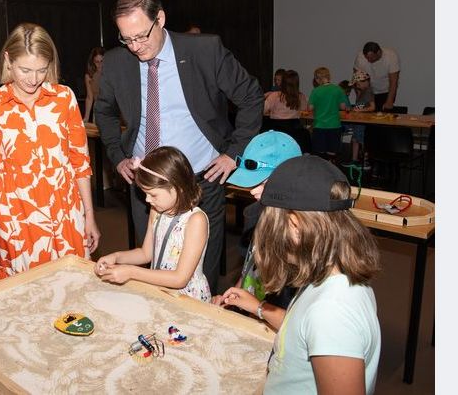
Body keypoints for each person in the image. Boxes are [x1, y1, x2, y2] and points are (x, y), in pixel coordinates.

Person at [94, 0, 263, 294]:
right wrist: (117, 155)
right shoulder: (117, 62)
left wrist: (233, 153)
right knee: (151, 263)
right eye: (126, 39)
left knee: (201, 269)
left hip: (203, 178)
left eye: (141, 36)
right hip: (146, 182)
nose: (135, 46)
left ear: (160, 18)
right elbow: (103, 112)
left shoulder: (204, 50)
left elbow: (251, 97)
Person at [217, 155, 381, 394]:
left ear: (295, 226)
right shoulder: (328, 275)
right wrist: (260, 307)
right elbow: (303, 331)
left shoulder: (333, 313)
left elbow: (322, 324)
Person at [0, 22, 100, 283]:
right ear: (8, 60)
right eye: (25, 70)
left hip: (66, 216)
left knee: (74, 292)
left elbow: (80, 162)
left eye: (42, 70)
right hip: (17, 221)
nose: (33, 79)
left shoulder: (64, 98)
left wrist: (89, 216)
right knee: (26, 301)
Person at [94, 146, 211, 302]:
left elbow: (180, 278)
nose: (148, 200)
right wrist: (116, 257)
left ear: (179, 188)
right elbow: (146, 254)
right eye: (145, 194)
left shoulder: (195, 221)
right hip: (159, 290)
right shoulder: (157, 210)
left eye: (153, 194)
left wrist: (130, 272)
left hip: (187, 298)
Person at [222, 130, 302, 309]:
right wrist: (234, 296)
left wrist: (259, 310)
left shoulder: (300, 233)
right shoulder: (256, 214)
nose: (252, 191)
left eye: (263, 183)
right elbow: (249, 267)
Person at [308, 66, 349, 161]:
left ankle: (321, 172)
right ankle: (332, 171)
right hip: (334, 126)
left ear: (317, 79)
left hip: (319, 126)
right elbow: (343, 107)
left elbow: (310, 108)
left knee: (320, 154)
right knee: (332, 152)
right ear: (328, 77)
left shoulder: (316, 91)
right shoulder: (338, 90)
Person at [353, 41, 400, 111]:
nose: (368, 60)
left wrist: (389, 102)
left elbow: (393, 82)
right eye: (366, 58)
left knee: (382, 117)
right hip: (367, 91)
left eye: (371, 58)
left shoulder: (391, 56)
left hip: (385, 91)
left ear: (378, 52)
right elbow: (356, 79)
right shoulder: (360, 58)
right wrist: (359, 97)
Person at [344, 70, 375, 165]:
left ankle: (366, 161)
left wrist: (359, 111)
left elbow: (372, 107)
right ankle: (354, 159)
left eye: (357, 84)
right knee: (355, 139)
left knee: (361, 140)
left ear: (365, 82)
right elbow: (360, 105)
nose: (356, 86)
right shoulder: (362, 91)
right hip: (358, 121)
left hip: (363, 122)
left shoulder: (369, 91)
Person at [83, 46, 105, 123]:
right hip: (98, 110)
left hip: (112, 110)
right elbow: (89, 97)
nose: (100, 64)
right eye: (97, 62)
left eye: (102, 61)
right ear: (93, 62)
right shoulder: (89, 75)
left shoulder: (111, 73)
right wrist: (86, 117)